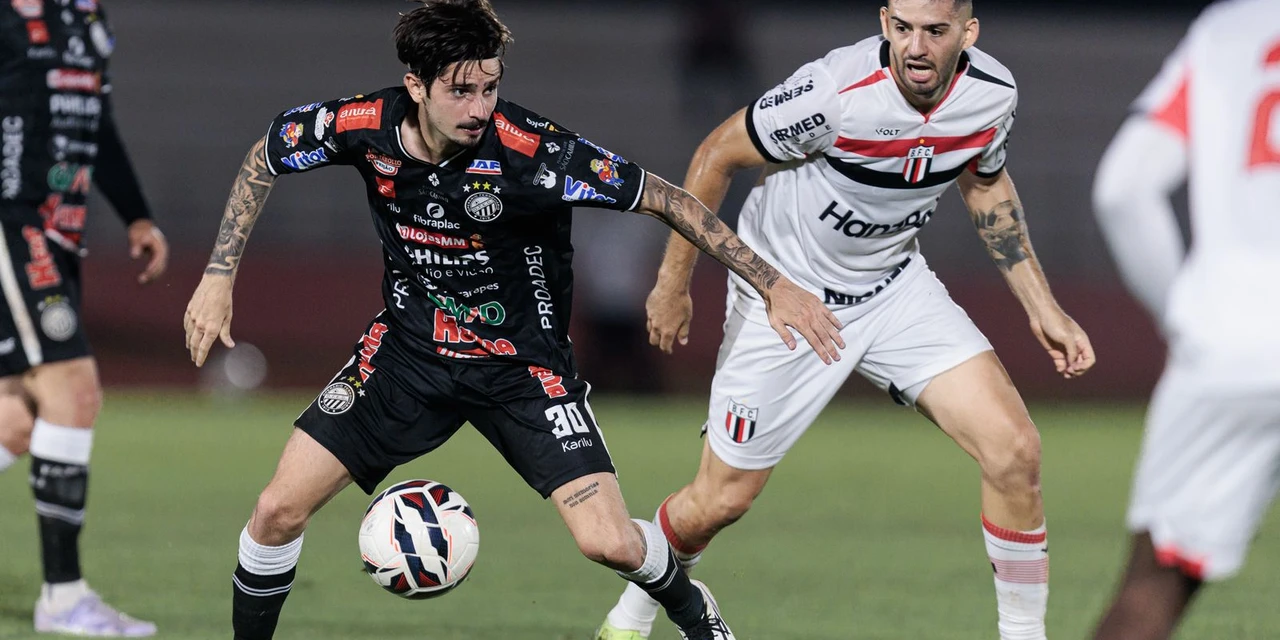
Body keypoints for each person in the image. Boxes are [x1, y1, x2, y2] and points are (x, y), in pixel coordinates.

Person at [180, 1, 844, 639]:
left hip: (524, 372)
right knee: (275, 512)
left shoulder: (532, 152)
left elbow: (664, 198)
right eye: (461, 90)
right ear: (415, 84)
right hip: (409, 357)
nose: (479, 109)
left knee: (609, 543)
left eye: (490, 88)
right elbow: (268, 152)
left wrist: (772, 284)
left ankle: (692, 609)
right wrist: (218, 276)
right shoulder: (361, 124)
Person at [594, 1, 1097, 639]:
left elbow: (985, 180)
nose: (916, 47)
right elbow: (715, 154)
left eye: (936, 32)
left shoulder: (992, 94)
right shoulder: (833, 93)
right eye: (903, 28)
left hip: (894, 288)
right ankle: (635, 611)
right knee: (719, 502)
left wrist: (1042, 305)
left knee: (1015, 450)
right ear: (885, 21)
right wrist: (674, 281)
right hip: (787, 295)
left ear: (967, 33)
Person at [1090, 2, 1280, 638]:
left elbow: (1123, 191)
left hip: (1232, 339)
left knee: (1152, 588)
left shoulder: (1231, 27)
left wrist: (1190, 321)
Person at [0, 0, 168, 635]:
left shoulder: (87, 18)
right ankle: (63, 598)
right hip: (11, 227)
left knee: (15, 422)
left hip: (56, 233)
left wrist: (137, 215)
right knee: (73, 390)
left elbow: (95, 124)